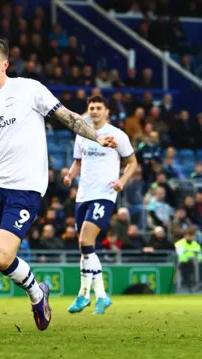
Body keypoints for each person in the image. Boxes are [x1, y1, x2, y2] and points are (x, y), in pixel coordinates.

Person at [0, 38, 117, 339]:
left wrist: (96, 137)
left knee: (1, 257)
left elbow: (67, 116)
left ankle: (36, 292)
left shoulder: (29, 89)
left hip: (26, 188)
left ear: (5, 64)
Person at [63, 95, 137, 315]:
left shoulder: (117, 135)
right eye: (91, 108)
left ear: (107, 112)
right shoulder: (83, 135)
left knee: (86, 240)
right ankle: (101, 296)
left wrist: (121, 182)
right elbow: (78, 162)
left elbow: (132, 162)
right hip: (83, 195)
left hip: (104, 194)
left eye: (98, 108)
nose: (94, 111)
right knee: (86, 249)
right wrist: (69, 175)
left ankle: (84, 295)